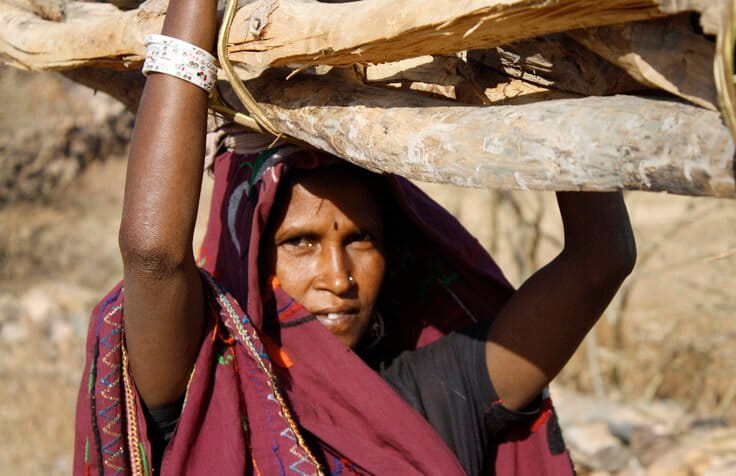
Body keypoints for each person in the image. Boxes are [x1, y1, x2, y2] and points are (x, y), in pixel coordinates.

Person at [73, 0, 636, 474]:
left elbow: (599, 260)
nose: (339, 278)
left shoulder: (435, 392)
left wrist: (556, 52)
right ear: (249, 246)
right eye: (301, 242)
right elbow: (153, 255)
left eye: (360, 239)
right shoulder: (209, 385)